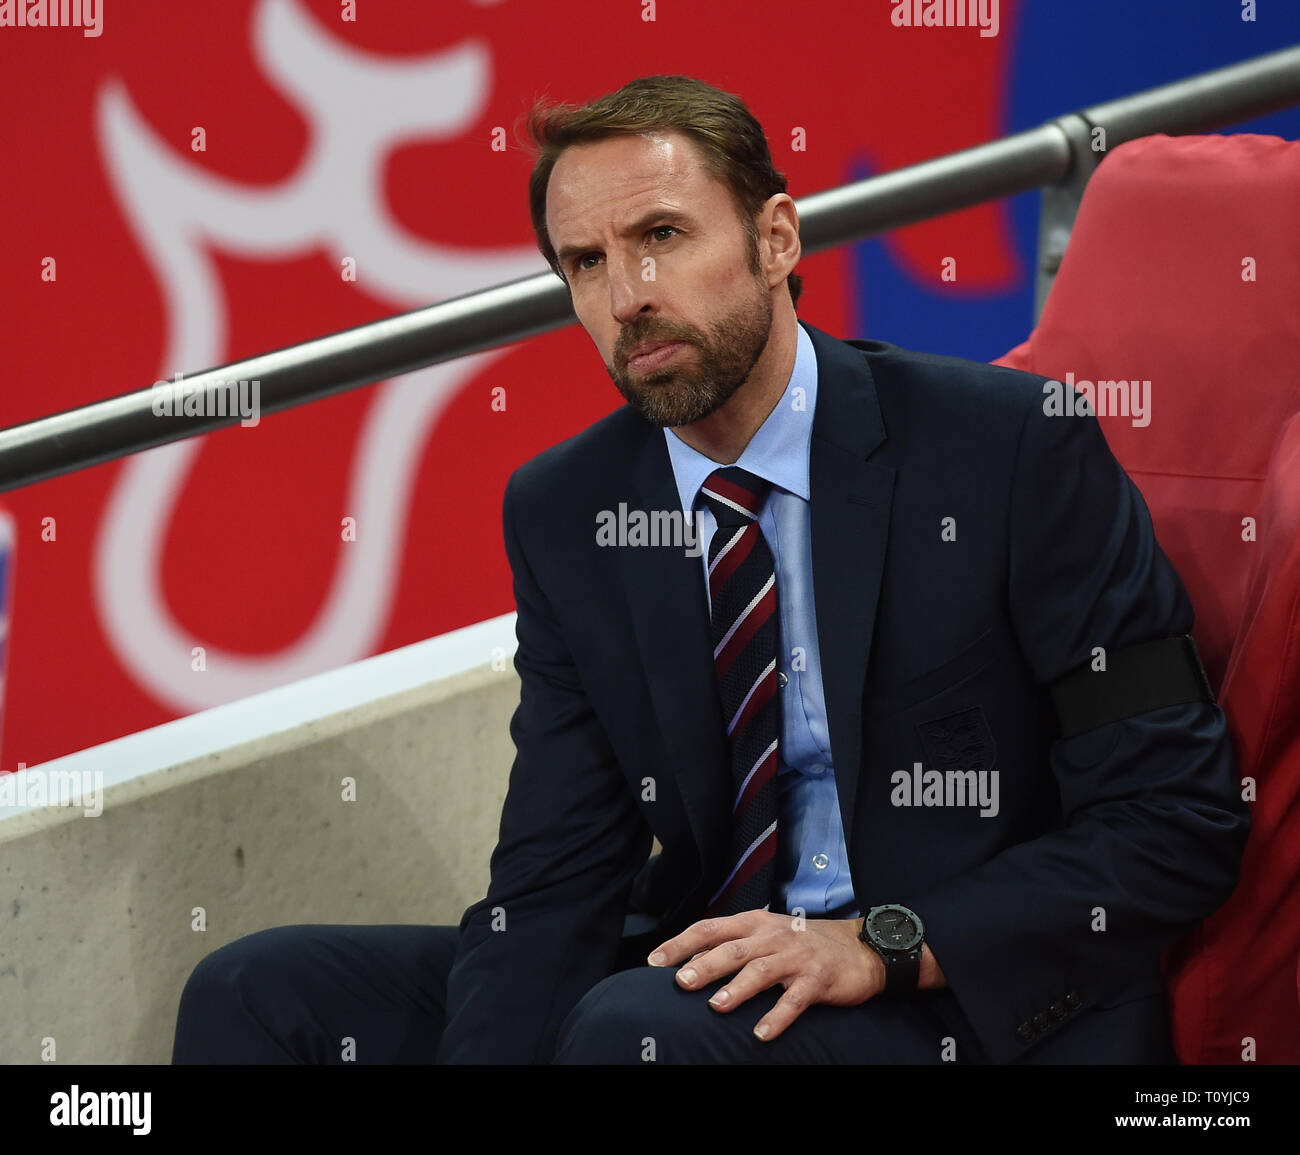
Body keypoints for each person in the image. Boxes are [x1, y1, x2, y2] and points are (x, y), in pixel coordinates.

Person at [171, 74, 1249, 1066]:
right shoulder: (569, 510)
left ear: (776, 237)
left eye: (660, 236)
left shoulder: (1009, 449)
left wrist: (878, 944)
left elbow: (1174, 819)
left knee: (637, 1031)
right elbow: (558, 875)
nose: (626, 295)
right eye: (585, 264)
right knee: (263, 991)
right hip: (705, 971)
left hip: (960, 997)